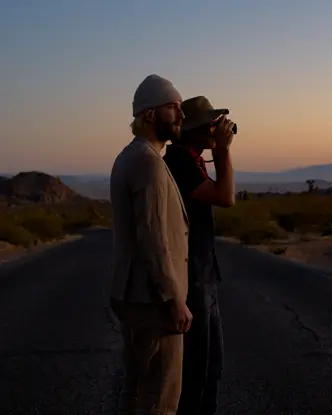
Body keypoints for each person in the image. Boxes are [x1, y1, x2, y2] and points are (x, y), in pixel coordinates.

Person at [110, 74, 193, 415]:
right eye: (173, 108)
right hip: (152, 301)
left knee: (137, 390)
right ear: (149, 115)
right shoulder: (148, 164)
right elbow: (154, 238)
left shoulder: (132, 157)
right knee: (159, 398)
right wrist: (174, 299)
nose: (181, 115)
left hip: (136, 295)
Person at [163, 96, 235, 415]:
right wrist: (223, 150)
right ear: (193, 130)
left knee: (210, 368)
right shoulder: (180, 161)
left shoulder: (190, 159)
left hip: (202, 274)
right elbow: (225, 196)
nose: (215, 128)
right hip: (193, 280)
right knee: (197, 373)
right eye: (210, 123)